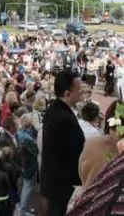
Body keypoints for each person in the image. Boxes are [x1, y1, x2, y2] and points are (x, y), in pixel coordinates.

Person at [41, 70, 85, 216]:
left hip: (55, 183)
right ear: (67, 92)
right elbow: (73, 153)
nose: (81, 92)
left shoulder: (54, 110)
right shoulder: (64, 118)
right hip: (63, 187)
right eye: (78, 89)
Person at [17, 113, 39, 216]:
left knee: (23, 186)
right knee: (28, 187)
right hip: (29, 166)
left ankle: (20, 207)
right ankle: (22, 210)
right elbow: (36, 151)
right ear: (30, 123)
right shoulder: (28, 139)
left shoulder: (19, 133)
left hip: (22, 165)